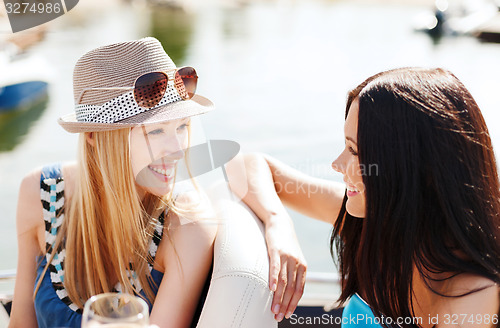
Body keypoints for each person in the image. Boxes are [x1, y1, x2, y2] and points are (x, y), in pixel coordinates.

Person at [8, 37, 306, 328]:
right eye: (156, 132)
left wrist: (278, 220)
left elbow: (245, 162)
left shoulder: (185, 227)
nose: (178, 148)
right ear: (94, 137)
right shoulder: (41, 193)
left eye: (181, 127)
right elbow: (22, 322)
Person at [237, 68, 500, 327]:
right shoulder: (370, 223)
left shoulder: (475, 297)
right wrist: (277, 224)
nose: (337, 164)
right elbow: (244, 166)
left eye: (353, 150)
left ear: (412, 166)